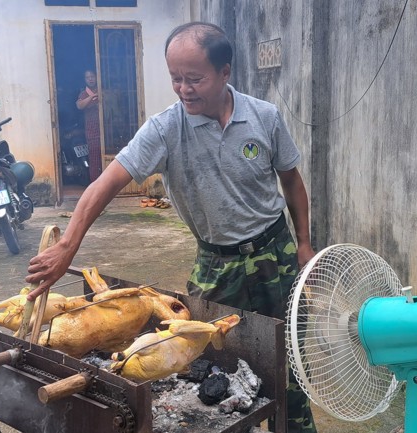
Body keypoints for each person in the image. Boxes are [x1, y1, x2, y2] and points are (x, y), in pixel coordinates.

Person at [26, 22, 318, 433]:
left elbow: (291, 180)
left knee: (290, 360)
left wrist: (304, 243)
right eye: (175, 79)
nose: (183, 89)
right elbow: (105, 184)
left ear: (225, 72)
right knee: (215, 367)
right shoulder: (165, 129)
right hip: (217, 265)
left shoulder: (264, 117)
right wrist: (68, 244)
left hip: (277, 255)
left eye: (194, 79)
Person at [76, 69, 103, 181]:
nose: (91, 79)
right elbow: (79, 105)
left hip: (105, 130)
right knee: (94, 159)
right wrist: (92, 97)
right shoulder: (84, 94)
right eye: (88, 77)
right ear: (85, 80)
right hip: (92, 130)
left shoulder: (102, 90)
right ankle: (95, 184)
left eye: (92, 76)